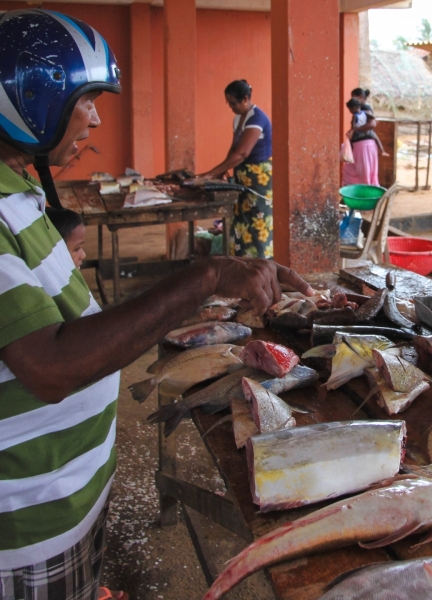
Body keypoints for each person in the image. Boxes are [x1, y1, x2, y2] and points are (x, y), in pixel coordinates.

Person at [0, 10, 312, 599]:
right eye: (86, 99)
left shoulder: (19, 195)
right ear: (32, 99)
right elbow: (51, 366)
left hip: (64, 495)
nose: (95, 115)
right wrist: (205, 275)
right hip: (25, 522)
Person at [198, 80, 274, 258]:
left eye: (233, 103)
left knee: (258, 223)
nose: (231, 107)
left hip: (259, 180)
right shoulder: (239, 119)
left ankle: (261, 268)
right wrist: (216, 172)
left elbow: (242, 153)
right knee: (241, 222)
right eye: (228, 103)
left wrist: (211, 173)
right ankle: (243, 265)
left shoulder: (257, 119)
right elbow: (233, 150)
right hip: (242, 178)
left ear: (245, 99)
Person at [342, 98, 380, 187]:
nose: (350, 111)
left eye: (350, 109)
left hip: (361, 146)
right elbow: (374, 122)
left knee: (362, 171)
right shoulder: (366, 113)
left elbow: (353, 129)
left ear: (354, 107)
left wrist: (353, 131)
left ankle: (363, 192)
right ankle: (370, 190)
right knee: (370, 171)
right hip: (371, 145)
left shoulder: (355, 116)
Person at [350, 88, 389, 157]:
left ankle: (382, 151)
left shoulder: (364, 108)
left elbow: (372, 124)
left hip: (364, 144)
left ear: (360, 97)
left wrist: (354, 130)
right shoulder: (361, 108)